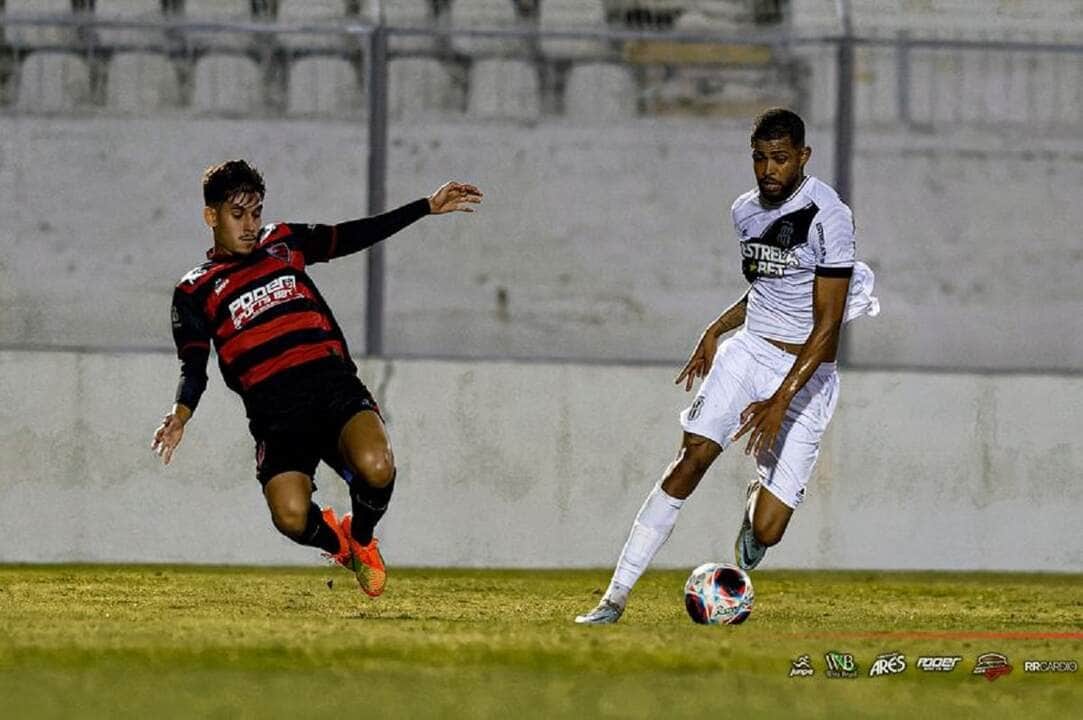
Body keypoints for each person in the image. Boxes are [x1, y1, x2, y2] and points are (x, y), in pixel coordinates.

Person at [576, 108, 878, 624]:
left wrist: (782, 398)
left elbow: (827, 328)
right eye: (759, 158)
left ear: (803, 157)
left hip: (807, 375)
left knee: (768, 531)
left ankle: (755, 505)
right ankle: (615, 597)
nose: (768, 170)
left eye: (780, 159)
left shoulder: (830, 216)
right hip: (750, 350)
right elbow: (768, 286)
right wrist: (716, 328)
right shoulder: (744, 210)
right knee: (690, 458)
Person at [151, 159, 482, 597]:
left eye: (256, 212)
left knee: (377, 466)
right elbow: (193, 364)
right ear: (211, 217)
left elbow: (349, 236)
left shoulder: (284, 242)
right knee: (289, 516)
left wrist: (423, 207)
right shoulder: (195, 288)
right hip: (275, 414)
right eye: (237, 215)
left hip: (332, 387)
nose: (250, 225)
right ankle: (338, 544)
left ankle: (362, 538)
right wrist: (180, 415)